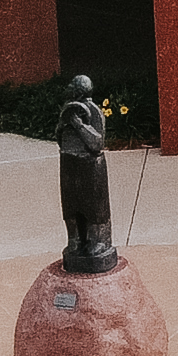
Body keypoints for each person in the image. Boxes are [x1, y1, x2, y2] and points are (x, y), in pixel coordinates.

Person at [55, 76, 119, 274]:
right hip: (69, 161)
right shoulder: (68, 108)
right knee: (71, 204)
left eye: (72, 85)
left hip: (90, 165)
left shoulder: (94, 111)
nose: (68, 88)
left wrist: (78, 124)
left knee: (93, 206)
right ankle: (75, 239)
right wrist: (63, 126)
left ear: (80, 90)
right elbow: (60, 138)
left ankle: (98, 241)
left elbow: (97, 143)